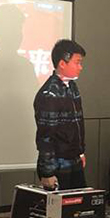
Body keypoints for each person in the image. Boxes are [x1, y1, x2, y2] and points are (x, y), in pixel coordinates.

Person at [34, 39, 87, 190]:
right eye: (77, 62)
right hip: (58, 164)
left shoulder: (72, 87)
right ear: (62, 64)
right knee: (61, 203)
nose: (80, 67)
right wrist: (47, 172)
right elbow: (46, 137)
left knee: (80, 201)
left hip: (74, 159)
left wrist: (80, 152)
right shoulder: (50, 93)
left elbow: (77, 124)